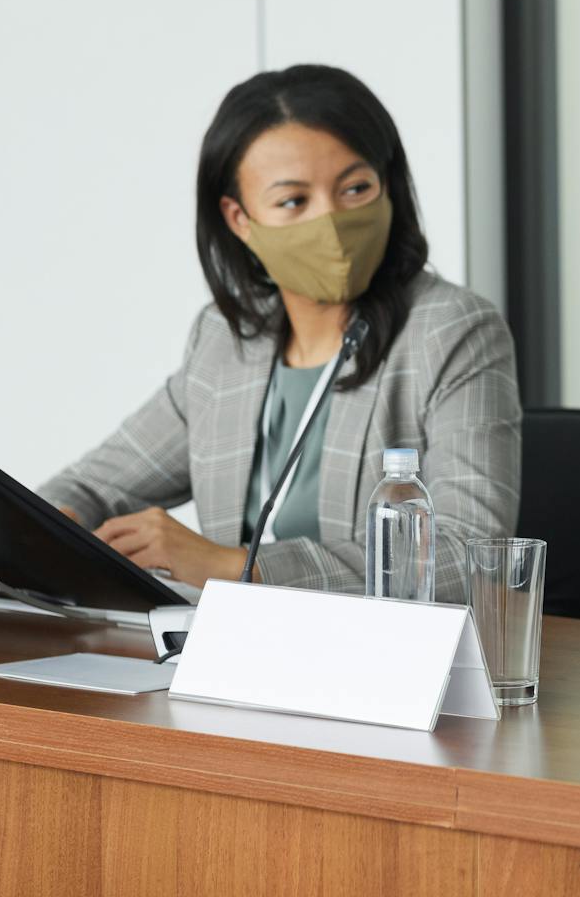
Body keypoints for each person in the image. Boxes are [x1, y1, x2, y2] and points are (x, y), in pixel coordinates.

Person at [41, 65, 520, 598]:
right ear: (240, 219)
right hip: (227, 660)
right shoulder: (226, 341)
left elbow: (471, 552)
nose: (331, 222)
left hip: (373, 663)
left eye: (355, 188)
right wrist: (47, 527)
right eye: (294, 201)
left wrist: (233, 565)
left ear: (389, 187)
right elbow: (90, 487)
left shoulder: (451, 332)